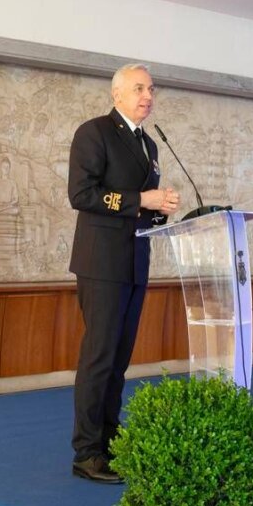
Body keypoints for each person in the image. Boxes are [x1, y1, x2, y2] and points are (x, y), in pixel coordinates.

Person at [67, 63, 180, 483]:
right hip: (101, 263)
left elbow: (143, 208)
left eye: (151, 89)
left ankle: (111, 443)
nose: (148, 96)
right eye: (139, 89)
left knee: (119, 360)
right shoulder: (94, 132)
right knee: (99, 358)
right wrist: (141, 199)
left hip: (135, 261)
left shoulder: (149, 144)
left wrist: (161, 209)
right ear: (117, 94)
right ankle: (86, 453)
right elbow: (81, 194)